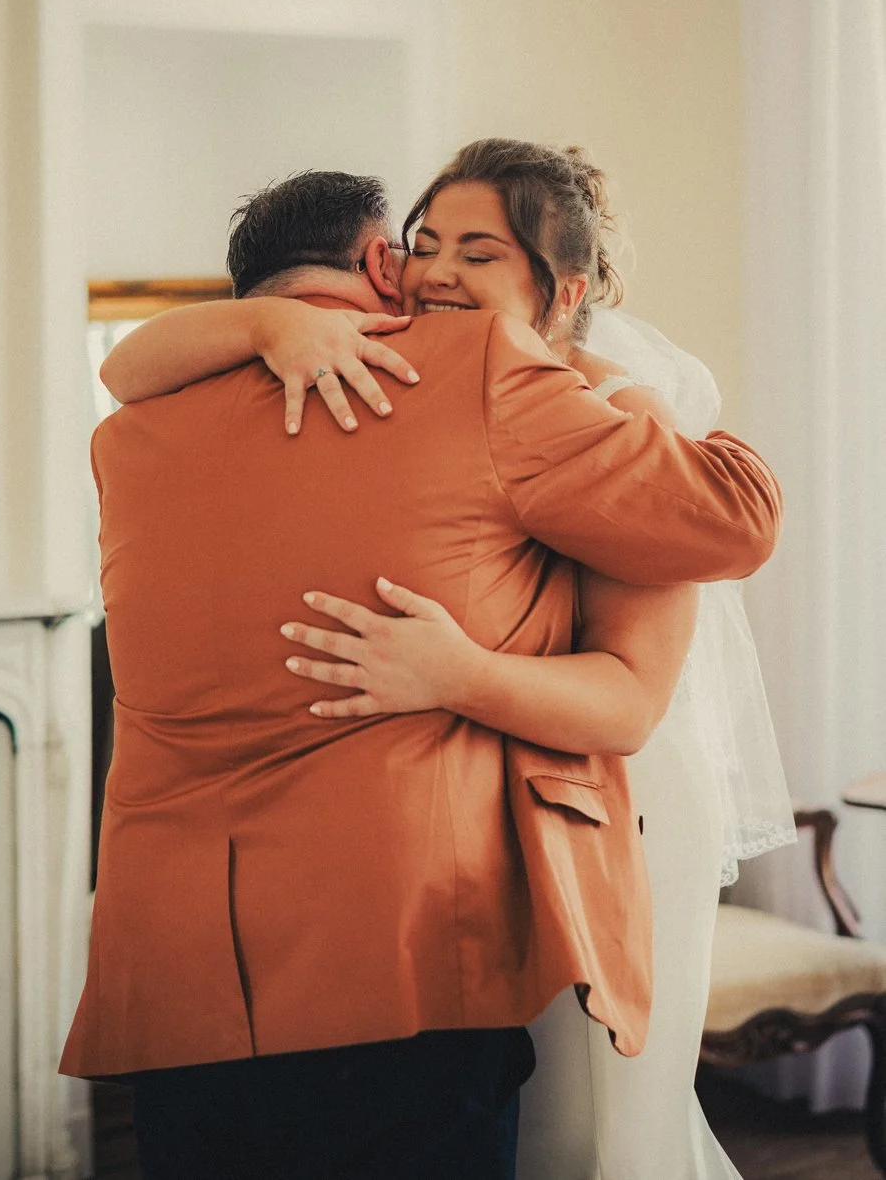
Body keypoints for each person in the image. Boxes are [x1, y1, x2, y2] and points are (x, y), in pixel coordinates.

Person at [67, 164, 782, 1178]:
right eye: (422, 248)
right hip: (389, 956)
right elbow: (737, 517)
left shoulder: (128, 436)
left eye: (473, 251)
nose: (436, 276)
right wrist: (631, 402)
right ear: (379, 260)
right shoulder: (468, 371)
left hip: (173, 975)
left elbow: (137, 361)